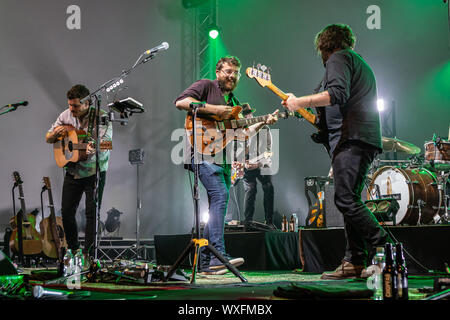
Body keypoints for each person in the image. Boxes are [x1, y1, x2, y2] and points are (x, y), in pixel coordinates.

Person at [282, 24, 388, 279]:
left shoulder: (339, 58)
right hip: (354, 140)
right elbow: (335, 107)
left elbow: (338, 94)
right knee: (348, 197)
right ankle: (354, 261)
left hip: (352, 139)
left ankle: (384, 245)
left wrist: (299, 102)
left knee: (345, 199)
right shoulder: (356, 61)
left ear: (324, 46)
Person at [175, 56, 278, 275]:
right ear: (218, 72)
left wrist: (263, 121)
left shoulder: (234, 103)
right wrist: (214, 109)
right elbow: (181, 103)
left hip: (223, 159)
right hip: (202, 153)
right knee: (220, 198)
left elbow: (243, 134)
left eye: (236, 72)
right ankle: (217, 257)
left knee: (217, 206)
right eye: (228, 71)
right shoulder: (205, 86)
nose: (232, 76)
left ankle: (205, 263)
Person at [46, 84, 112, 258]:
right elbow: (48, 137)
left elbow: (107, 144)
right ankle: (74, 250)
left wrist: (94, 148)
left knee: (92, 214)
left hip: (94, 171)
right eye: (70, 105)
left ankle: (90, 255)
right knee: (67, 212)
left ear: (87, 103)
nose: (71, 109)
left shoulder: (101, 116)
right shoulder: (65, 115)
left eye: (75, 106)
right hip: (73, 170)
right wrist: (55, 134)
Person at [241, 107, 276, 229]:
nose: (247, 117)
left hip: (263, 163)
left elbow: (269, 150)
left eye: (248, 114)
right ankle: (248, 222)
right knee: (250, 190)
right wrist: (244, 163)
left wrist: (259, 164)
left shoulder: (265, 128)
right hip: (248, 165)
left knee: (269, 187)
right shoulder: (240, 131)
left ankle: (269, 221)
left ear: (252, 115)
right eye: (244, 116)